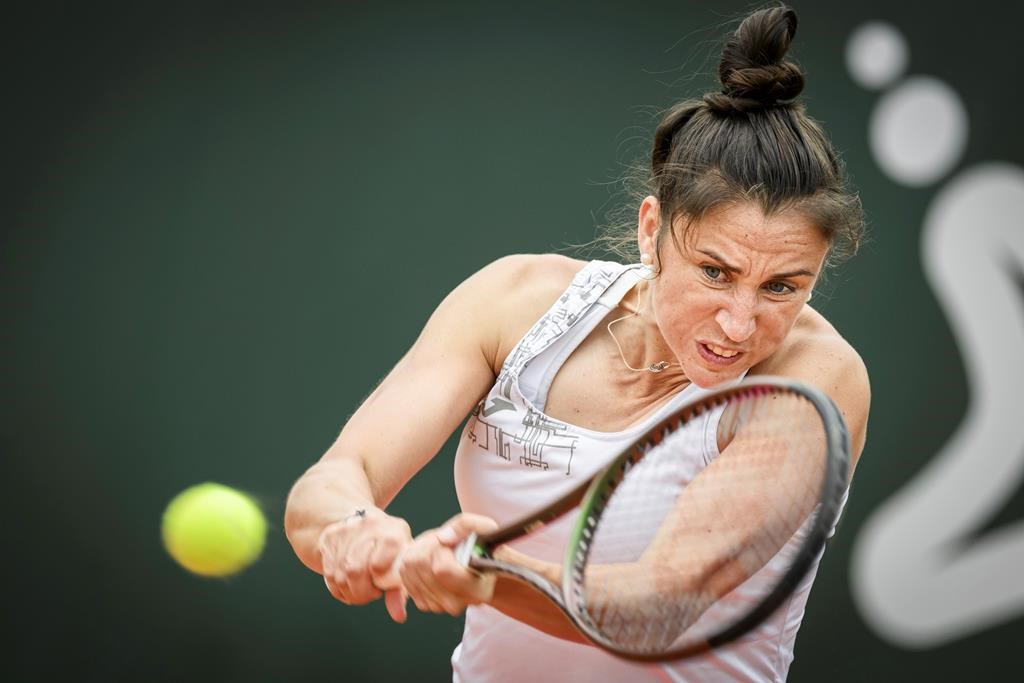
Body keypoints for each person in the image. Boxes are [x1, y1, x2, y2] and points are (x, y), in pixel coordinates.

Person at [285, 4, 869, 681]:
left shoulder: (819, 381)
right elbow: (329, 483)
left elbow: (654, 605)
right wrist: (356, 526)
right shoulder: (513, 300)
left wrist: (481, 572)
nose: (740, 324)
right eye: (716, 272)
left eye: (783, 287)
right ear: (652, 230)